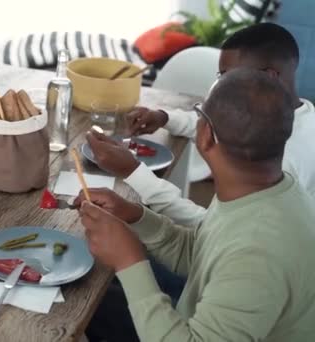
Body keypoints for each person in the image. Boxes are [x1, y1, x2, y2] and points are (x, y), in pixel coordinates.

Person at [78, 68, 315, 341]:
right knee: (93, 292)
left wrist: (129, 260)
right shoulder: (265, 190)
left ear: (205, 135)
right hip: (197, 314)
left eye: (199, 114)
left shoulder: (259, 251)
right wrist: (135, 216)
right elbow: (201, 254)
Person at [88, 23, 315, 227]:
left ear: (269, 76)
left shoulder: (286, 162)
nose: (219, 84)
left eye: (226, 75)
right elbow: (213, 123)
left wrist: (134, 173)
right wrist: (164, 117)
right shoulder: (281, 119)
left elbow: (215, 232)